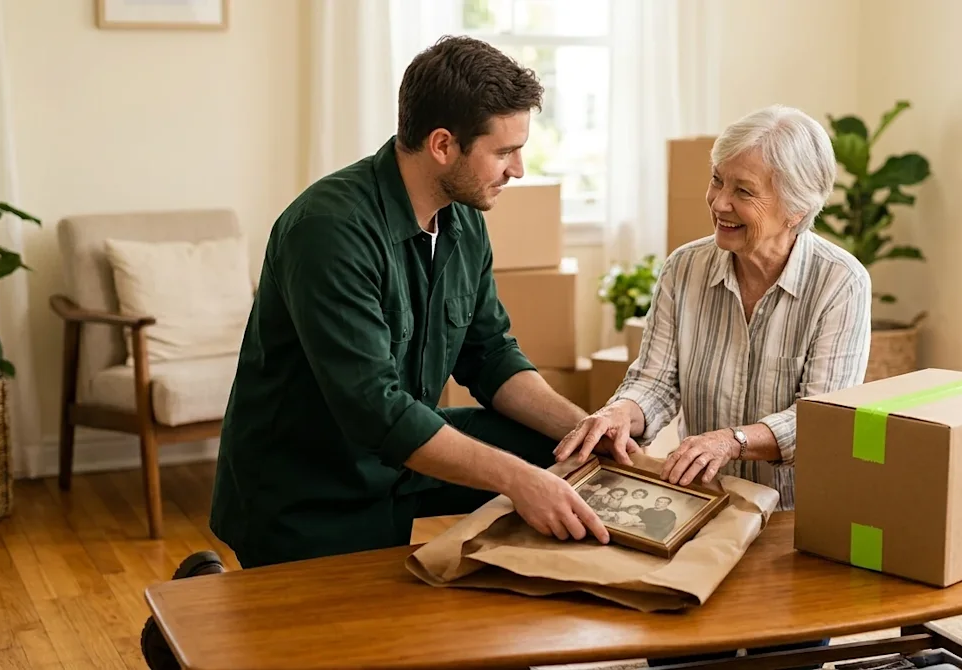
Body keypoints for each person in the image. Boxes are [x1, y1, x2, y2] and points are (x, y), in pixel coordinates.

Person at [206, 35, 639, 570]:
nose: (519, 169)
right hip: (308, 490)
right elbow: (377, 412)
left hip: (400, 464)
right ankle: (206, 598)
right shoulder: (327, 231)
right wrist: (520, 481)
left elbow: (490, 355)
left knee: (556, 450)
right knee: (346, 646)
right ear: (442, 145)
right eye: (504, 151)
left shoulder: (464, 221)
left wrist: (584, 431)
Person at [555, 104, 872, 666]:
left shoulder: (841, 282)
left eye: (742, 190)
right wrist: (618, 413)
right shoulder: (684, 268)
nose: (719, 201)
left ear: (797, 207)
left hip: (795, 527)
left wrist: (732, 440)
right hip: (700, 511)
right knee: (683, 657)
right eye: (716, 180)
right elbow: (653, 381)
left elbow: (824, 418)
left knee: (787, 660)